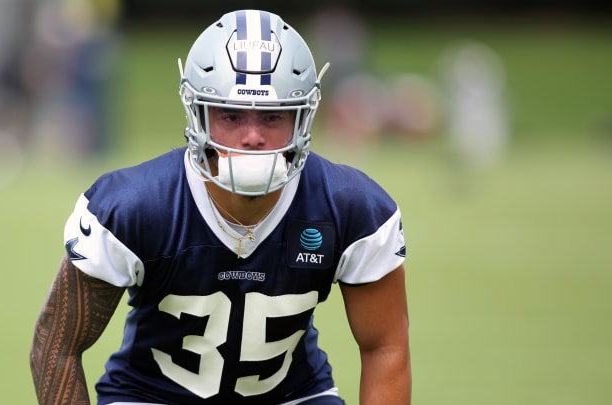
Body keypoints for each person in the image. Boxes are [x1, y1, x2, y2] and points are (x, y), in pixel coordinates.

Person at [30, 9, 411, 405]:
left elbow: (385, 347)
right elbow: (55, 345)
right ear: (198, 115)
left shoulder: (351, 208)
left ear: (302, 119)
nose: (251, 137)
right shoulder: (134, 208)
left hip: (292, 396)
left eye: (272, 116)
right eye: (230, 115)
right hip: (151, 397)